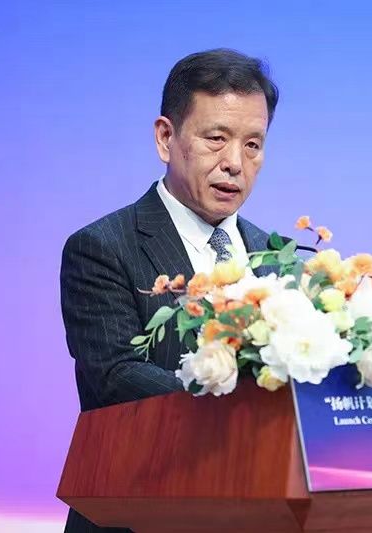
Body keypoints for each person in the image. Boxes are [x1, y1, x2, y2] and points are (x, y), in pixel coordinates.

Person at [60, 48, 279, 533]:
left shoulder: (275, 256)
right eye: (216, 139)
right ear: (166, 138)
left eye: (253, 145)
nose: (234, 163)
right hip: (141, 513)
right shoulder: (103, 247)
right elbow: (116, 375)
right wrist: (248, 415)